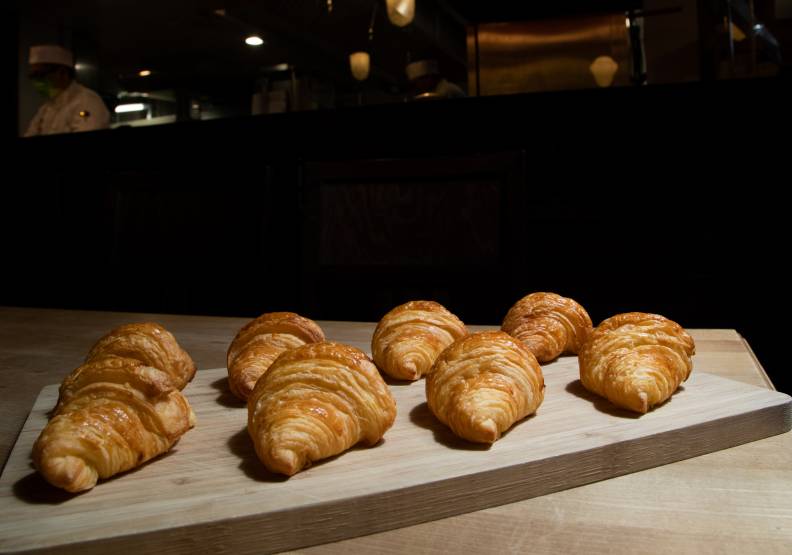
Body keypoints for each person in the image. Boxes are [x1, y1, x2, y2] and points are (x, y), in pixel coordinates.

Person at [24, 45, 110, 137]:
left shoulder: (87, 102)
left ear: (62, 73)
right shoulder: (46, 108)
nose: (37, 81)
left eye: (40, 75)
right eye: (32, 76)